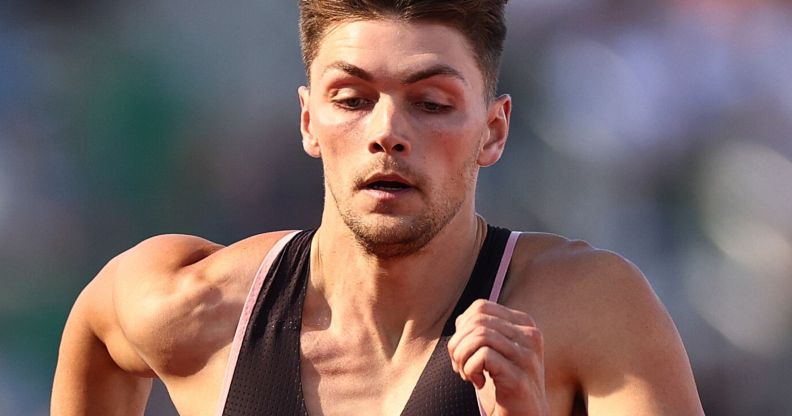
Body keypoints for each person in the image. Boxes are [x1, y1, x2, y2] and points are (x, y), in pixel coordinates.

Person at [51, 1, 704, 415]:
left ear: (494, 131)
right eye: (352, 97)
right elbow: (98, 330)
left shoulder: (585, 310)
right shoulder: (196, 307)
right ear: (308, 120)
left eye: (432, 102)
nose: (387, 132)